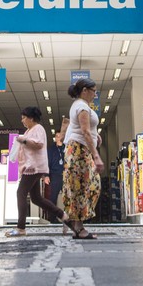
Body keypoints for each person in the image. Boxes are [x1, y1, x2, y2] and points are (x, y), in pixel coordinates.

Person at [5, 107, 69, 237]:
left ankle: (21, 227)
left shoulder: (38, 128)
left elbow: (38, 145)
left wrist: (23, 140)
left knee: (21, 193)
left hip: (34, 167)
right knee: (36, 198)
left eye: (24, 117)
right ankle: (63, 216)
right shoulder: (29, 131)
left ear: (31, 118)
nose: (22, 120)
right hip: (32, 166)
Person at [62, 78, 103, 240]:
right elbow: (84, 132)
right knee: (84, 186)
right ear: (85, 90)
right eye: (94, 91)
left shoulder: (80, 106)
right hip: (79, 150)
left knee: (86, 185)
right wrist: (96, 155)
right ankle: (78, 226)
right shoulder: (81, 106)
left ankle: (73, 221)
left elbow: (84, 129)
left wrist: (95, 135)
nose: (95, 94)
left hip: (79, 149)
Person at [44, 128, 65, 216]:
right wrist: (46, 175)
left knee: (69, 198)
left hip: (66, 176)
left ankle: (70, 219)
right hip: (55, 175)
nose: (58, 138)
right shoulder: (50, 150)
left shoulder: (67, 148)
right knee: (53, 198)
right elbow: (47, 163)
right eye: (57, 136)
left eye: (60, 136)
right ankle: (52, 219)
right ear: (55, 138)